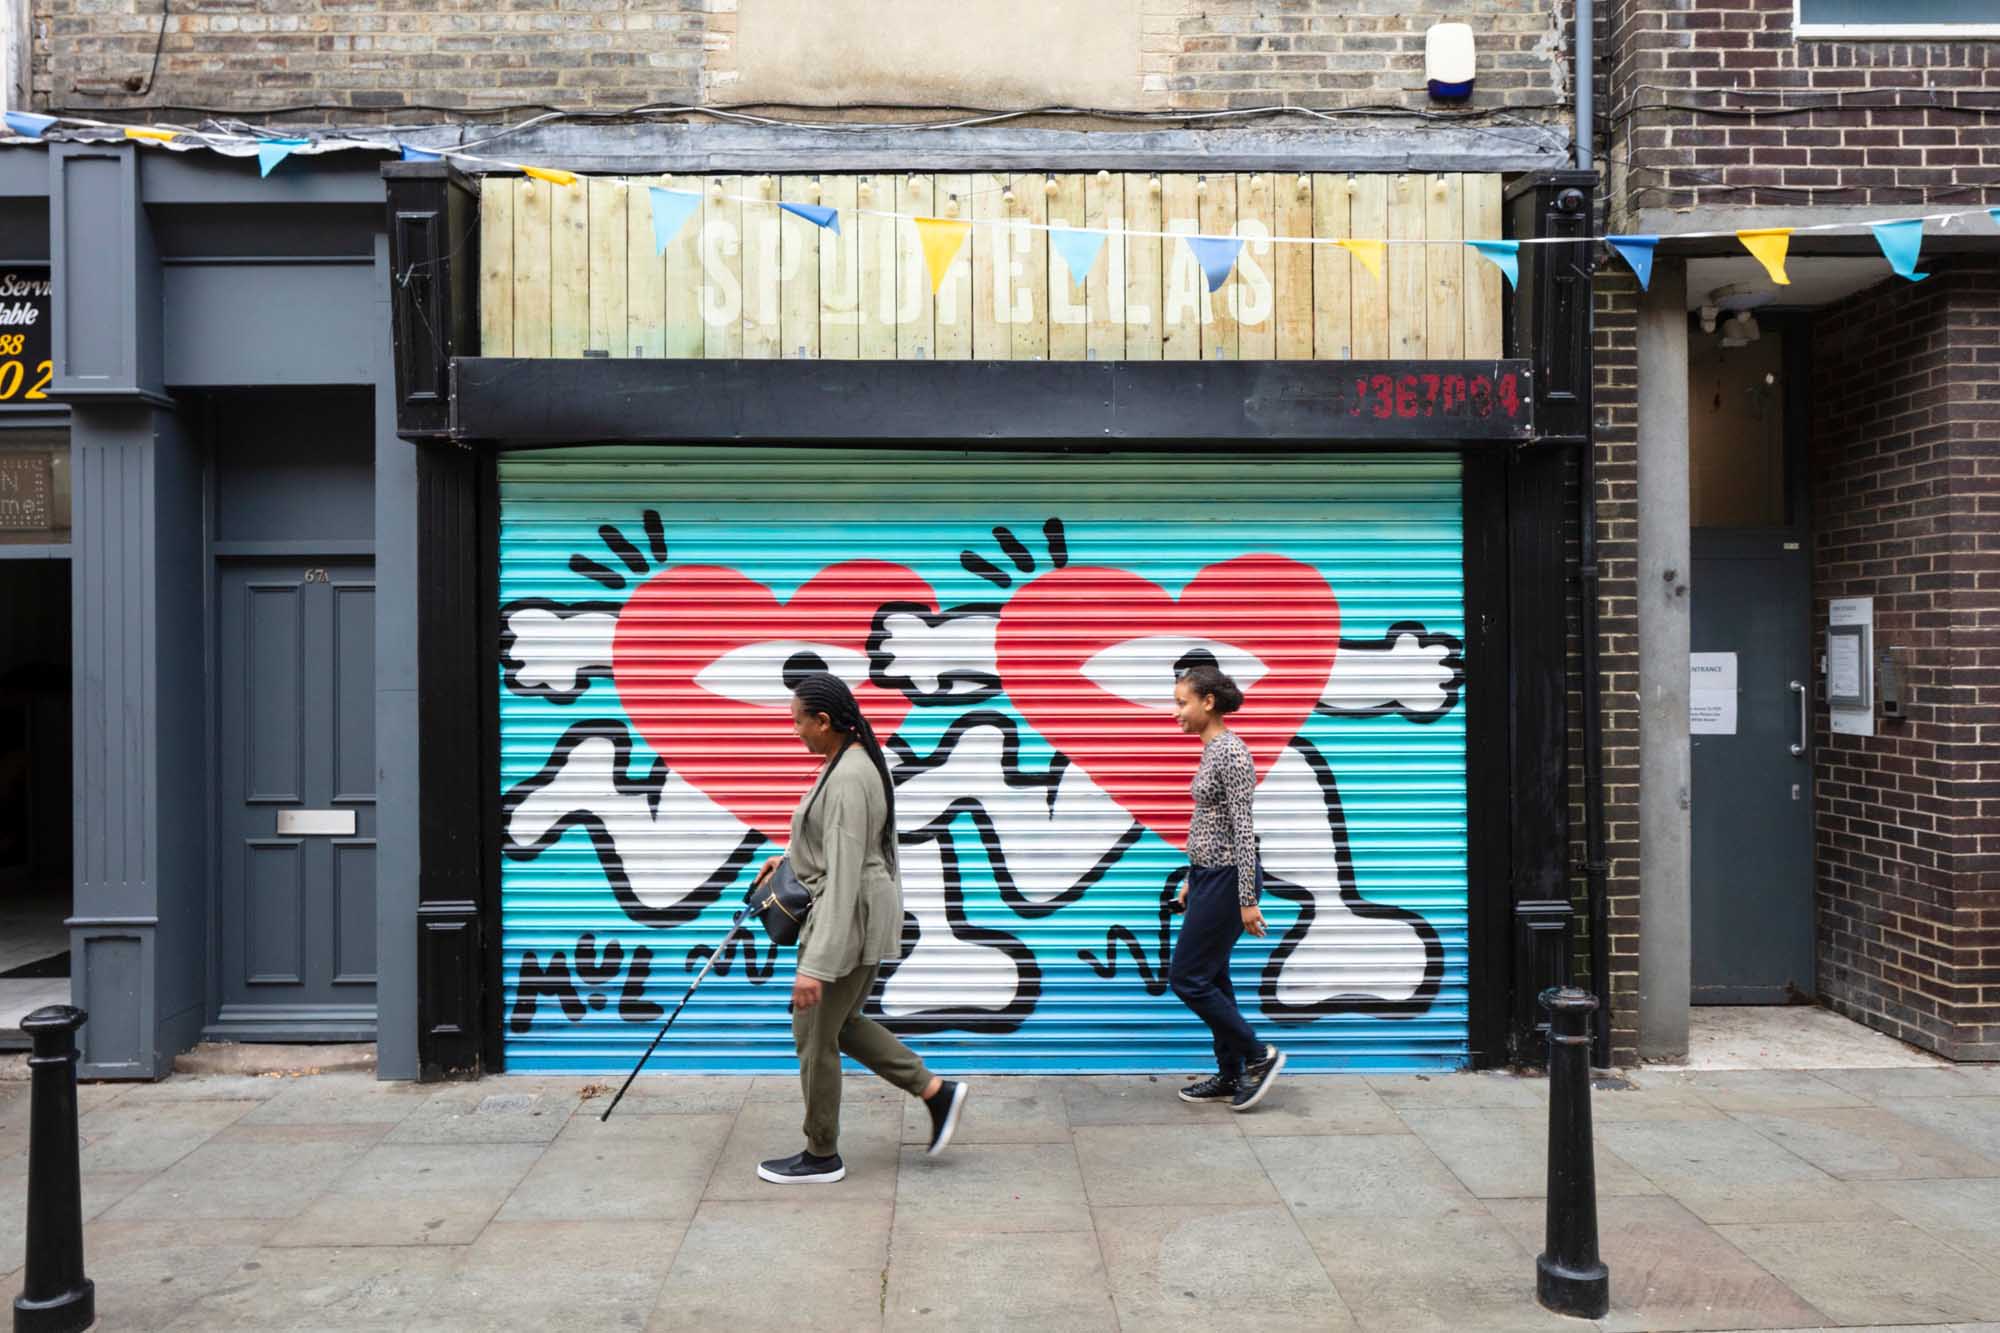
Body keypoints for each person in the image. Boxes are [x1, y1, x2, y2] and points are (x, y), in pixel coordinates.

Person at [749, 671, 968, 1184]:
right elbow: (833, 844)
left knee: (813, 1032)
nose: (795, 731)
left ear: (823, 722)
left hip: (848, 920)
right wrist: (788, 861)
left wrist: (817, 966)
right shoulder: (847, 762)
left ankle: (821, 1154)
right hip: (860, 914)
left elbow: (846, 876)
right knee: (841, 1025)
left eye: (798, 722)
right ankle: (937, 1094)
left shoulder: (848, 776)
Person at [1169, 664, 1286, 1111]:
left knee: (1187, 978)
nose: (1176, 712)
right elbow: (1209, 823)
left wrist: (1248, 901)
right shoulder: (1212, 750)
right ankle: (1231, 1071)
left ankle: (1259, 1055)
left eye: (1182, 702)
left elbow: (1242, 829)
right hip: (1208, 877)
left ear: (1208, 702)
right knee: (1212, 976)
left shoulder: (1232, 752)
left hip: (1228, 880)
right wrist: (1189, 879)